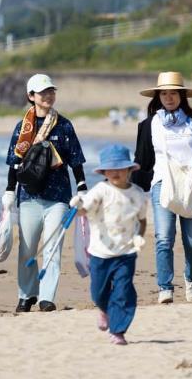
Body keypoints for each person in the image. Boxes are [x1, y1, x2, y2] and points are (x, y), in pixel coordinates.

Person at [132, 72, 192, 304]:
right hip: (162, 184)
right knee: (164, 237)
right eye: (164, 93)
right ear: (158, 96)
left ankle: (191, 278)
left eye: (173, 92)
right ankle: (165, 287)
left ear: (182, 96)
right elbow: (142, 160)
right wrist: (127, 184)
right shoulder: (148, 125)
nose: (168, 97)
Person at [2, 73, 87, 313]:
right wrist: (9, 192)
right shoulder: (22, 127)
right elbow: (14, 162)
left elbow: (75, 160)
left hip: (58, 197)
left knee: (52, 246)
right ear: (31, 97)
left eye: (51, 91)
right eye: (43, 92)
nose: (48, 95)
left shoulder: (64, 125)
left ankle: (47, 297)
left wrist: (81, 187)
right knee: (27, 248)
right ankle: (26, 294)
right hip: (28, 196)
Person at [70, 144, 147, 345]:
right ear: (103, 171)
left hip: (126, 252)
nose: (115, 172)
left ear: (130, 170)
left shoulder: (138, 194)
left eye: (120, 168)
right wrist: (77, 203)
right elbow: (83, 211)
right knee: (98, 292)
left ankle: (118, 331)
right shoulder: (100, 190)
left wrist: (139, 236)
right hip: (100, 253)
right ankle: (103, 309)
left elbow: (143, 220)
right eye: (110, 169)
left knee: (123, 291)